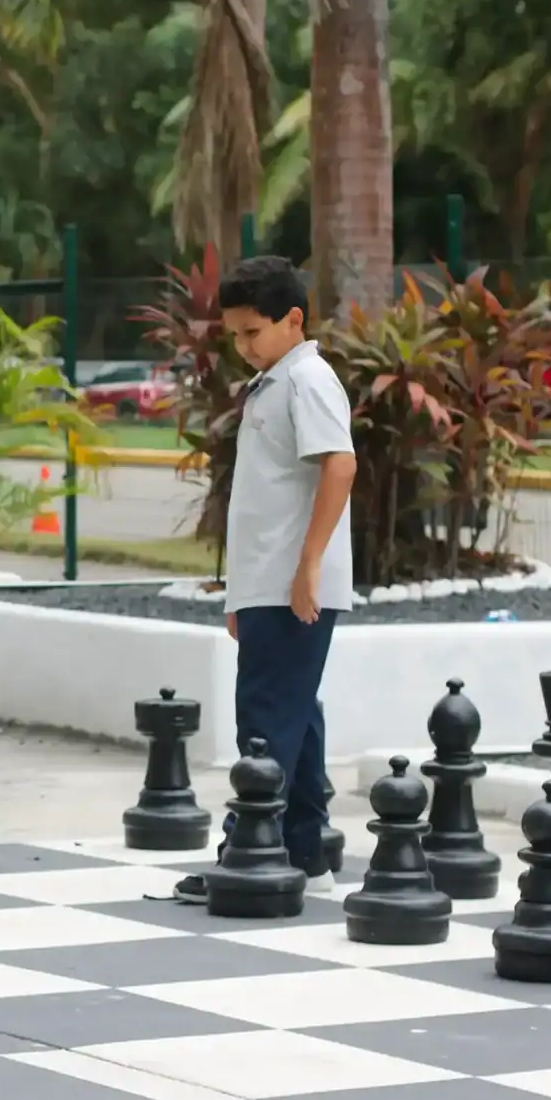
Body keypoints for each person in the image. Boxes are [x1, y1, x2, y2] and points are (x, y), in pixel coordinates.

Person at [173, 255, 357, 904]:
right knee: (296, 717)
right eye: (236, 334)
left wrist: (307, 567)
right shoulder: (277, 381)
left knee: (266, 718)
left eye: (254, 332)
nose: (244, 346)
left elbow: (340, 465)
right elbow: (264, 498)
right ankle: (305, 852)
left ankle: (247, 849)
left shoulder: (307, 380)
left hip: (291, 583)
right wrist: (240, 594)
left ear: (294, 319)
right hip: (268, 583)